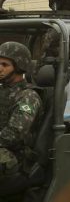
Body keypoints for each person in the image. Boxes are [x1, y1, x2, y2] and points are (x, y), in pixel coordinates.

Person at [0, 42, 43, 192]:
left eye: (5, 64)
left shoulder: (28, 97)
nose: (0, 68)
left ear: (18, 68)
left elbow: (14, 134)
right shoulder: (2, 91)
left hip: (16, 156)